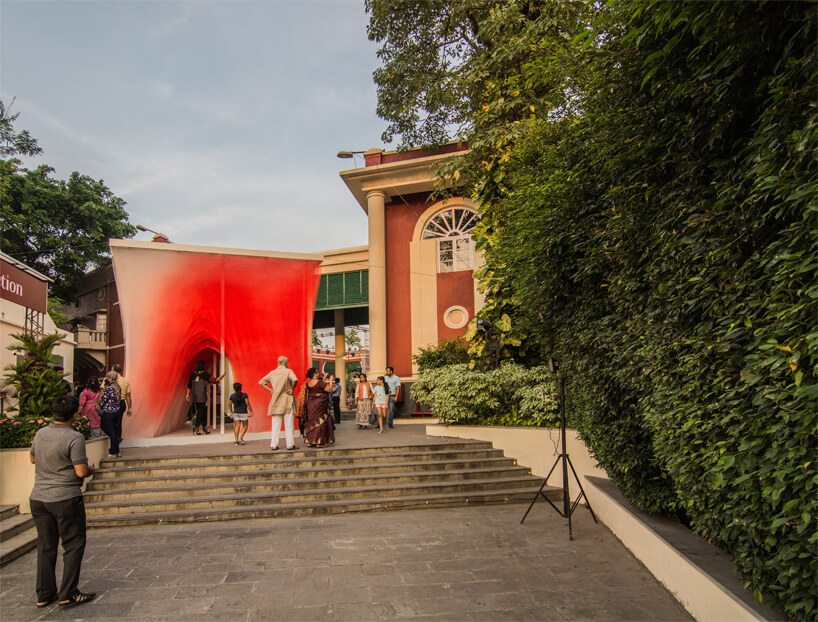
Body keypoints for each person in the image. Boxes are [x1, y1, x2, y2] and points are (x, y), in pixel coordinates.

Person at [29, 395, 96, 609]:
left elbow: (32, 458)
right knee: (73, 543)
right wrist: (91, 468)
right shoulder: (74, 437)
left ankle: (44, 594)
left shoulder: (40, 434)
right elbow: (81, 471)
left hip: (39, 497)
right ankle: (68, 592)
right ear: (75, 414)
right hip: (65, 497)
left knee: (46, 546)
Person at [258, 356, 298, 451]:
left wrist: (271, 390)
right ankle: (290, 444)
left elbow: (261, 382)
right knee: (289, 424)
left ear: (278, 363)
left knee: (275, 425)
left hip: (276, 401)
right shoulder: (288, 371)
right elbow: (295, 379)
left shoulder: (272, 373)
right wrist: (291, 389)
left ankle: (274, 445)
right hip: (287, 401)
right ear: (285, 362)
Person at [186, 361, 226, 435]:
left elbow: (189, 385)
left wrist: (187, 394)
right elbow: (215, 380)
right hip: (202, 396)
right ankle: (196, 427)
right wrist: (223, 375)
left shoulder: (192, 374)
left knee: (202, 411)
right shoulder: (205, 374)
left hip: (195, 396)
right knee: (201, 412)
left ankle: (205, 428)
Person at [302, 367, 335, 447]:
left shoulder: (308, 383)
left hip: (311, 404)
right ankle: (319, 442)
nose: (318, 373)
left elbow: (318, 387)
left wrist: (324, 378)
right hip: (320, 405)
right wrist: (330, 381)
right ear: (314, 374)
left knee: (312, 421)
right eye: (317, 372)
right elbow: (329, 390)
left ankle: (310, 441)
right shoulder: (320, 382)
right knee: (321, 422)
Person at [96, 371, 122, 458]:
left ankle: (113, 451)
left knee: (109, 430)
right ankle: (117, 450)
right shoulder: (118, 387)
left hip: (108, 412)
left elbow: (103, 400)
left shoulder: (108, 389)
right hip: (116, 411)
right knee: (113, 431)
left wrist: (99, 406)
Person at [111, 364, 132, 442]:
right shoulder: (125, 380)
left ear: (113, 370)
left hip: (111, 402)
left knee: (110, 422)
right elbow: (128, 395)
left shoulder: (108, 380)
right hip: (121, 403)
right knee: (118, 422)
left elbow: (102, 391)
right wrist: (129, 407)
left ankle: (113, 439)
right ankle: (118, 438)